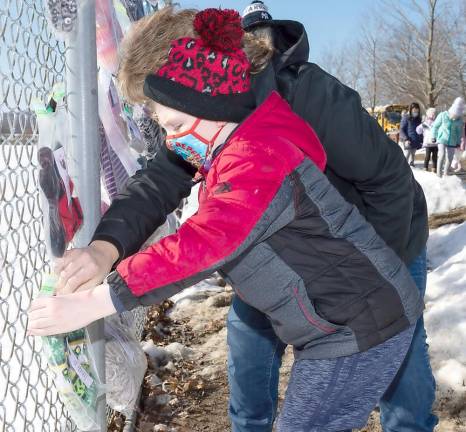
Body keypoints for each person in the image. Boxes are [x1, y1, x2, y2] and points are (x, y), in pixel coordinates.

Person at [36, 4, 436, 432]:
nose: (172, 140)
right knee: (254, 349)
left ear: (204, 97)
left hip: (377, 257)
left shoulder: (277, 126)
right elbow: (162, 178)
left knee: (399, 374)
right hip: (304, 274)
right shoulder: (216, 124)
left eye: (173, 125)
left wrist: (368, 274)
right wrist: (104, 247)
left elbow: (387, 183)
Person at [432, 97, 465, 178]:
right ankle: (438, 174)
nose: (455, 117)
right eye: (454, 115)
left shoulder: (459, 120)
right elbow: (435, 126)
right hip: (442, 138)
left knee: (450, 157)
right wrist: (434, 136)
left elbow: (459, 132)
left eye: (457, 116)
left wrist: (458, 142)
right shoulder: (443, 115)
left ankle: (446, 174)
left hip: (452, 141)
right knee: (442, 154)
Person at [400, 102, 423, 167]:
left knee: (413, 154)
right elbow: (402, 129)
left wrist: (421, 140)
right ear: (411, 110)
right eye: (414, 110)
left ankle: (411, 165)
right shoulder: (406, 117)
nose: (416, 112)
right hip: (408, 140)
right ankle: (402, 167)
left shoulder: (418, 119)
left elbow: (420, 130)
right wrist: (406, 139)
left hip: (415, 140)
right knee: (407, 154)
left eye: (417, 111)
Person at [417, 107, 438, 172]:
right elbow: (418, 130)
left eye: (434, 114)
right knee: (428, 156)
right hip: (428, 142)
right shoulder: (425, 123)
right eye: (431, 114)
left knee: (434, 157)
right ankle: (425, 167)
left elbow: (439, 131)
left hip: (435, 142)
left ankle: (434, 168)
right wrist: (421, 128)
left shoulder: (436, 123)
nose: (432, 116)